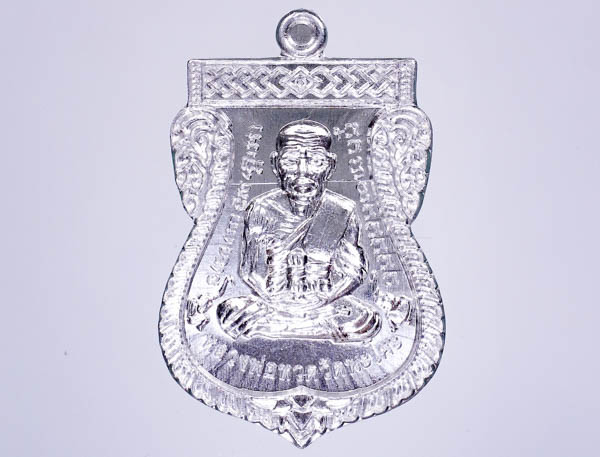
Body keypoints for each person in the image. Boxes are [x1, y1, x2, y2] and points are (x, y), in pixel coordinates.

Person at [216, 120, 380, 342]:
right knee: (231, 311)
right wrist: (277, 302)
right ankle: (313, 332)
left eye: (316, 161)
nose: (303, 172)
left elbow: (352, 274)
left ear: (330, 166)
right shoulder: (261, 208)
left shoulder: (342, 210)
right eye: (291, 161)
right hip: (273, 304)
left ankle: (275, 330)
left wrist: (322, 301)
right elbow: (250, 271)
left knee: (364, 319)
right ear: (276, 165)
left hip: (323, 306)